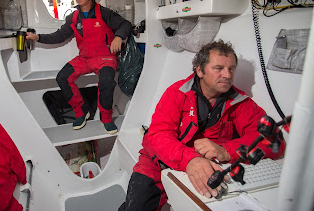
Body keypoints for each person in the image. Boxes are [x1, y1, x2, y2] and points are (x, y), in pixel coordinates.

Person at [119, 40, 285, 210]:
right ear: (200, 70)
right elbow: (158, 134)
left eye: (231, 68)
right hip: (159, 161)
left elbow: (273, 141)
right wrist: (189, 159)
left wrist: (226, 150)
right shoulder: (177, 93)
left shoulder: (240, 103)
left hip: (206, 166)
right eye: (219, 68)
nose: (227, 75)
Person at [26, 0, 132, 134]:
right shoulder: (73, 17)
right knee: (62, 77)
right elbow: (59, 36)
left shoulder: (104, 13)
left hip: (105, 58)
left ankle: (106, 118)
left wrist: (118, 36)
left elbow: (125, 24)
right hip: (85, 58)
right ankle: (81, 112)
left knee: (106, 82)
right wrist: (38, 37)